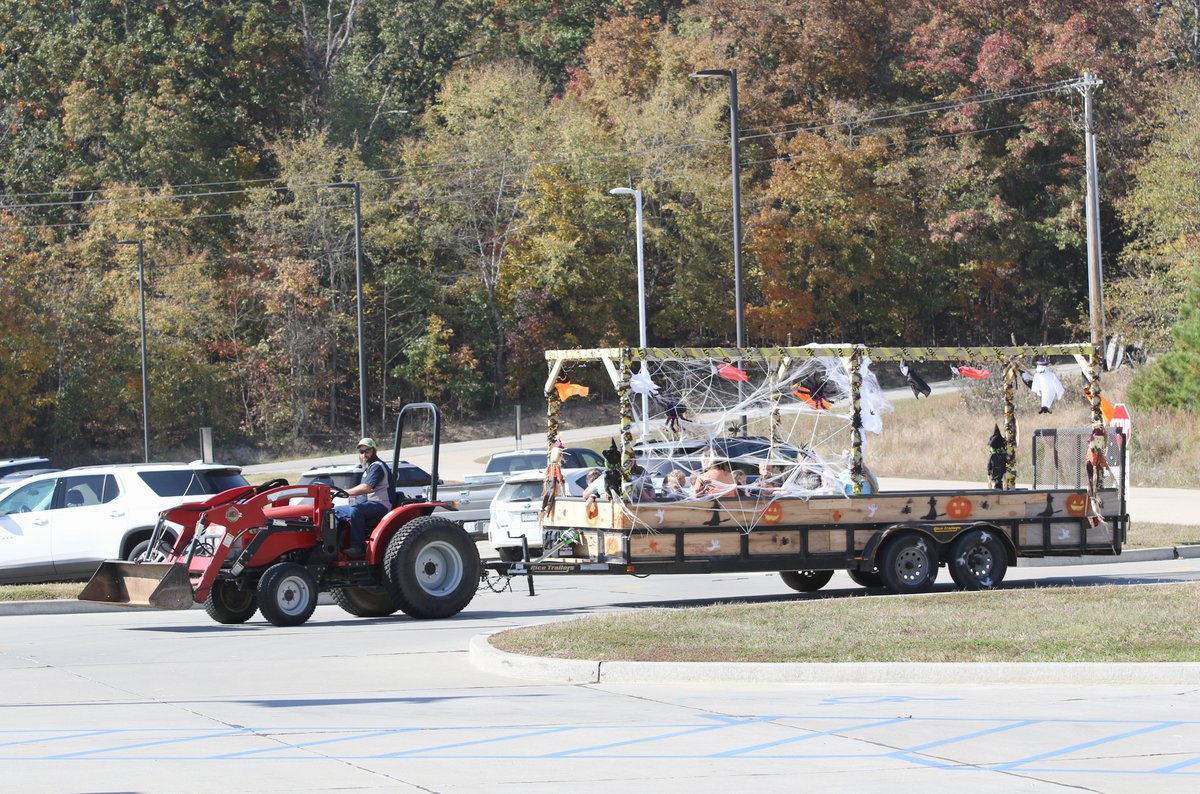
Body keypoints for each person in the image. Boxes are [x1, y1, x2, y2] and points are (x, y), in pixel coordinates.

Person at [334, 437, 393, 557]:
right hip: (369, 504)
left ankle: (358, 548)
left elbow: (366, 487)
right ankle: (334, 546)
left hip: (381, 504)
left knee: (355, 510)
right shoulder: (368, 468)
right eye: (361, 452)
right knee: (333, 511)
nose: (364, 454)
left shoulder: (377, 466)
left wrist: (344, 492)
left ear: (374, 451)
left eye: (367, 451)